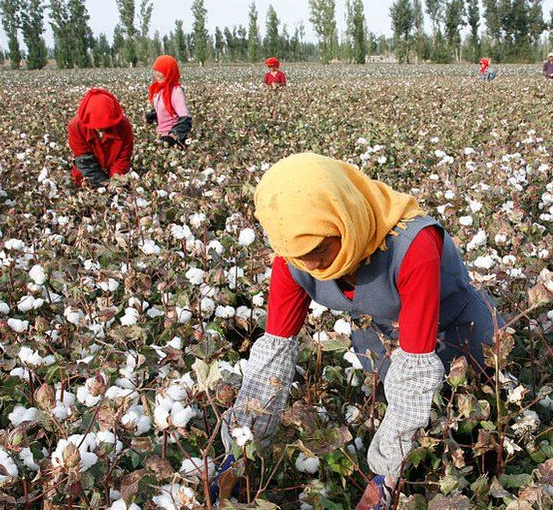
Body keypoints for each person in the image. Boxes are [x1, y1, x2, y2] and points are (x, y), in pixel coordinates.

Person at [212, 153, 504, 508]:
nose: (313, 264)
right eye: (299, 255)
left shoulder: (413, 245)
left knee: (472, 437)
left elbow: (414, 368)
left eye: (320, 248)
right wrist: (240, 450)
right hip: (381, 341)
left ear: (343, 218)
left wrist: (385, 477)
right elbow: (272, 357)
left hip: (461, 336)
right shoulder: (292, 255)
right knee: (405, 422)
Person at [67, 88, 133, 188]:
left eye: (106, 126)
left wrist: (115, 181)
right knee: (79, 177)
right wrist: (102, 184)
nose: (101, 129)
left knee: (123, 184)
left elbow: (123, 158)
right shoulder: (76, 127)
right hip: (88, 169)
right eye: (96, 126)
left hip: (114, 168)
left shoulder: (123, 125)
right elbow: (84, 161)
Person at [145, 55, 192, 149]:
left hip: (171, 140)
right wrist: (154, 115)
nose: (157, 74)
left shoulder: (175, 91)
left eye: (161, 71)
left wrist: (173, 136)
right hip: (160, 135)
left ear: (169, 72)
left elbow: (186, 119)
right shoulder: (160, 89)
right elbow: (167, 110)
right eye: (155, 70)